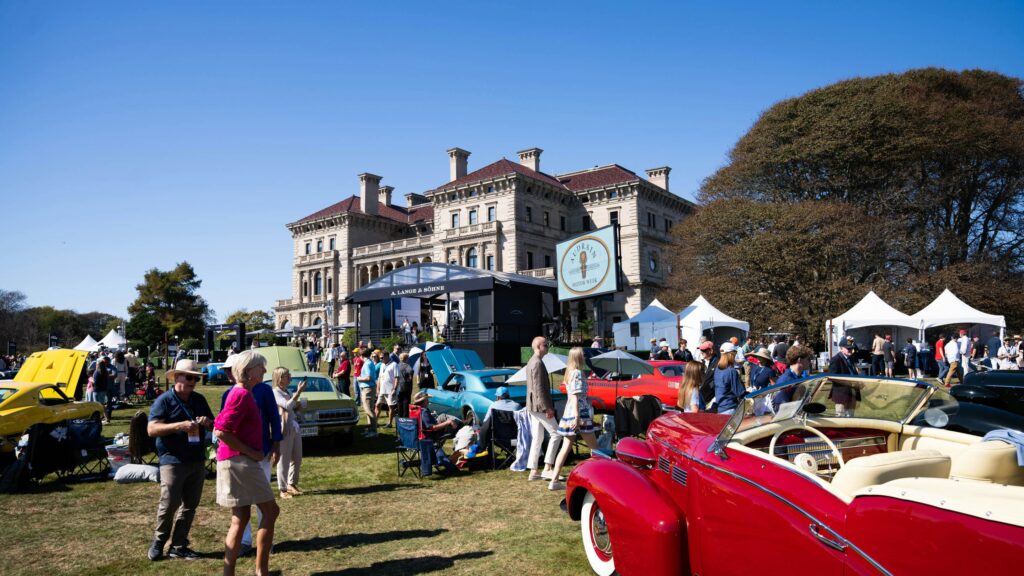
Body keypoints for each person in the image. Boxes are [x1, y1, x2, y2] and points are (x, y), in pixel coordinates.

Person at [214, 350, 280, 576]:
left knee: (240, 518)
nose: (264, 371)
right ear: (250, 371)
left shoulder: (239, 392)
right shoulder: (242, 394)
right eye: (261, 367)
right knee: (270, 512)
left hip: (231, 460)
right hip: (240, 461)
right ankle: (261, 571)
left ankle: (229, 573)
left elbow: (219, 426)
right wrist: (251, 452)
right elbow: (221, 430)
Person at [146, 359, 215, 561]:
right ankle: (159, 542)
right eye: (189, 377)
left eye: (196, 378)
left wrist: (207, 422)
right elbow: (151, 429)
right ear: (177, 377)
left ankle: (178, 545)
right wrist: (178, 426)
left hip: (196, 458)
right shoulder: (164, 400)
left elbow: (213, 425)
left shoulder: (199, 400)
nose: (193, 381)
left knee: (190, 505)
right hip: (172, 460)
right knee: (169, 504)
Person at [548, 347, 599, 491]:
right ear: (578, 357)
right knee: (595, 449)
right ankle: (596, 478)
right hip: (579, 414)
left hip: (570, 412)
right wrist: (577, 417)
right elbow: (576, 397)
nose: (584, 356)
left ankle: (554, 480)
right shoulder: (577, 373)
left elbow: (576, 395)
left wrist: (593, 398)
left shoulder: (570, 372)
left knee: (565, 448)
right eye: (582, 355)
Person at [525, 336, 562, 482]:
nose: (548, 347)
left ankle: (533, 470)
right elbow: (539, 389)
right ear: (539, 346)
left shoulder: (532, 361)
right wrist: (548, 408)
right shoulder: (537, 363)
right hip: (539, 406)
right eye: (546, 345)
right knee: (556, 433)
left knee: (538, 437)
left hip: (533, 405)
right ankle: (547, 468)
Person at [272, 367, 305, 500]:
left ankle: (292, 483)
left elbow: (292, 408)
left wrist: (299, 406)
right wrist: (298, 393)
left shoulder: (288, 390)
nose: (290, 377)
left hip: (294, 427)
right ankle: (282, 488)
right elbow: (286, 406)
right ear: (280, 379)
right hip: (284, 429)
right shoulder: (275, 392)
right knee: (283, 460)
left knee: (297, 457)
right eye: (287, 375)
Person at [772, 344, 813, 409]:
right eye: (808, 359)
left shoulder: (799, 377)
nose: (810, 362)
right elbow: (780, 408)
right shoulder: (785, 381)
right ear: (799, 360)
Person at [713, 343, 744, 415]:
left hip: (720, 407)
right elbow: (739, 392)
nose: (735, 357)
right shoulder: (731, 371)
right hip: (730, 408)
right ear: (730, 354)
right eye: (734, 354)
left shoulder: (717, 369)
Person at [356, 349, 378, 437]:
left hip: (368, 388)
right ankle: (370, 429)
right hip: (366, 388)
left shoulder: (368, 364)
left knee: (369, 410)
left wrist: (359, 378)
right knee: (367, 410)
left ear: (361, 356)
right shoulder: (368, 363)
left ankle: (374, 431)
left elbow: (369, 378)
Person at [376, 353, 398, 429]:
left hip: (390, 390)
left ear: (387, 356)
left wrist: (394, 389)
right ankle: (375, 422)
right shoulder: (382, 365)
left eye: (382, 357)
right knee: (377, 405)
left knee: (391, 407)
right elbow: (379, 378)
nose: (381, 359)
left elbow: (396, 378)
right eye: (380, 358)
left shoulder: (394, 364)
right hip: (382, 389)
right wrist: (377, 389)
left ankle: (390, 423)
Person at [697, 341, 719, 408]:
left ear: (711, 351)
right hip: (705, 398)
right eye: (701, 350)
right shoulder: (707, 362)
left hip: (712, 400)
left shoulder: (717, 363)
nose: (701, 352)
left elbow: (715, 382)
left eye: (703, 350)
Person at [92, 357, 112, 423]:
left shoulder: (96, 372)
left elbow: (95, 382)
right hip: (103, 389)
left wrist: (91, 380)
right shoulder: (106, 372)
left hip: (97, 390)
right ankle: (106, 417)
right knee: (102, 405)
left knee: (96, 405)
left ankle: (98, 418)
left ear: (98, 365)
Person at [396, 353, 414, 418]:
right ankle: (405, 417)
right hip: (406, 386)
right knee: (406, 403)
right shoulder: (407, 366)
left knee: (399, 403)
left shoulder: (397, 365)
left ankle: (400, 417)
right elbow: (411, 371)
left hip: (398, 386)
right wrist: (409, 377)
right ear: (406, 358)